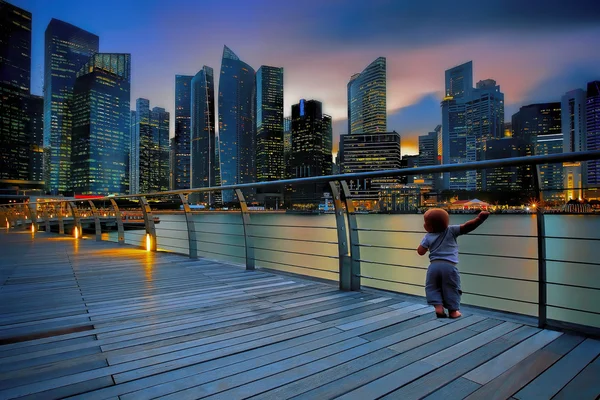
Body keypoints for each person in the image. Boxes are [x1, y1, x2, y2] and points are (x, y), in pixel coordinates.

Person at [417, 208, 489, 318]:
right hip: (449, 267)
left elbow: (420, 252)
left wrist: (426, 246)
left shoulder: (428, 236)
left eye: (425, 222)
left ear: (429, 226)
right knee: (451, 287)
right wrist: (479, 219)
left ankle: (438, 307)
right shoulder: (451, 230)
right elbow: (467, 227)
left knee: (432, 287)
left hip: (434, 266)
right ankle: (453, 311)